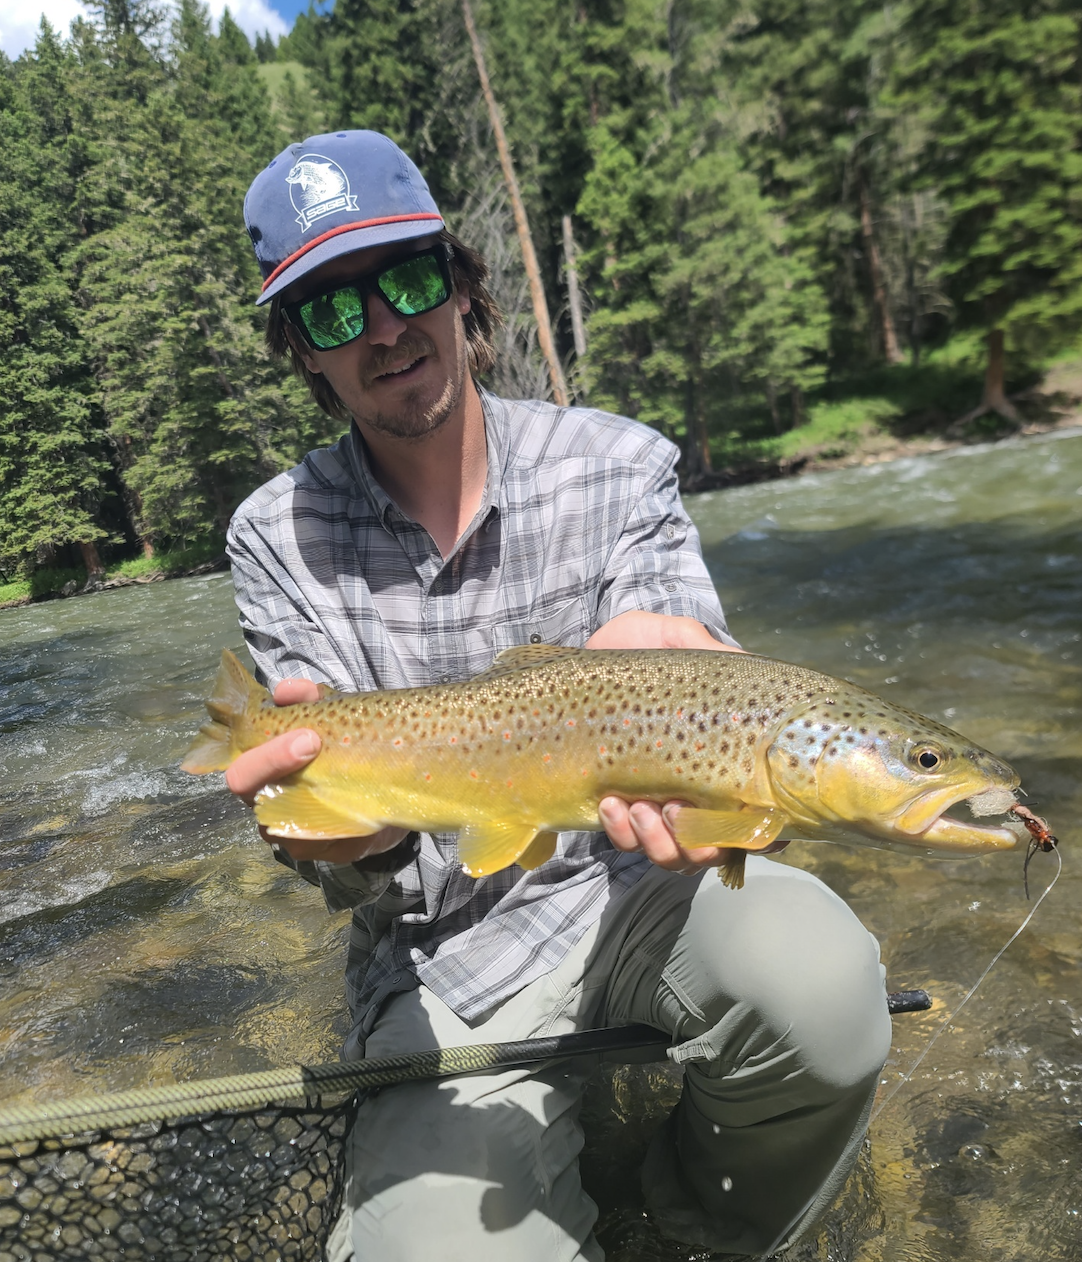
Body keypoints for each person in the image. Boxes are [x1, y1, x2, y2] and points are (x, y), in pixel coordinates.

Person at [225, 130, 892, 1261]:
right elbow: (332, 851)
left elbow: (696, 667)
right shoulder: (272, 536)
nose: (384, 326)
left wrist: (678, 688)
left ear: (458, 280)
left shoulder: (618, 462)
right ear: (305, 352)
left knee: (825, 993)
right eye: (335, 310)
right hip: (441, 953)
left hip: (644, 887)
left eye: (405, 278)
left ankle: (691, 1230)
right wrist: (343, 828)